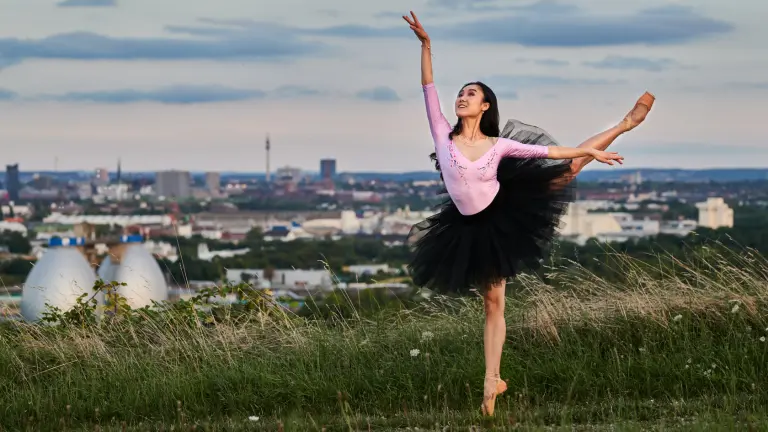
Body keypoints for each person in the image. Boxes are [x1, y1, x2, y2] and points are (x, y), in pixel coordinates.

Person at [402, 11, 654, 416]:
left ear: (485, 106)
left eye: (471, 93)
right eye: (461, 93)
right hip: (467, 227)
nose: (461, 97)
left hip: (506, 213)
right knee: (491, 303)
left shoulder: (498, 144)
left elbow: (549, 152)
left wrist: (588, 151)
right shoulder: (441, 132)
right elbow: (428, 87)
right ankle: (494, 382)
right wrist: (426, 45)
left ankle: (625, 123)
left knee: (568, 168)